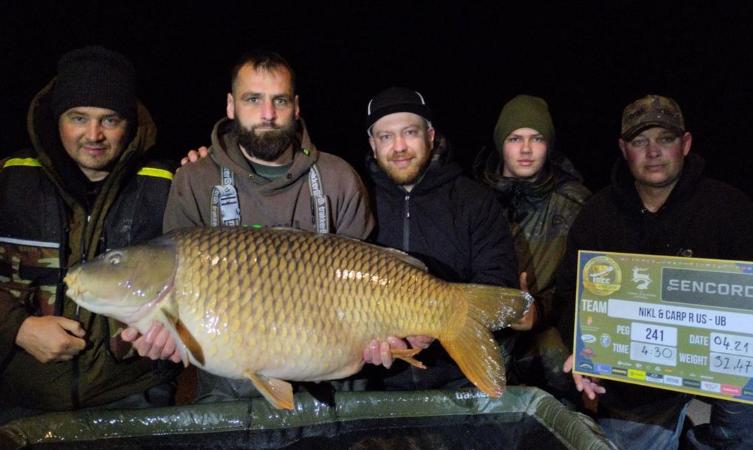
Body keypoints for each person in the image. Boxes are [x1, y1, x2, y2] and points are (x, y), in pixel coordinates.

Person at [555, 94, 753, 449]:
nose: (653, 152)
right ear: (623, 149)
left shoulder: (731, 207)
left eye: (665, 139)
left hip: (715, 359)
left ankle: (714, 443)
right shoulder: (597, 214)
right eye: (640, 141)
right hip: (636, 371)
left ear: (685, 143)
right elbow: (569, 294)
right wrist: (583, 346)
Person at [160, 50, 374, 401]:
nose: (268, 114)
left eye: (280, 100)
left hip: (331, 377)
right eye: (253, 99)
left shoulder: (340, 178)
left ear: (296, 107)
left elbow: (368, 286)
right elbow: (175, 293)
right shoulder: (195, 181)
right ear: (231, 106)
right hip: (228, 389)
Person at [0, 46, 178, 424]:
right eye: (78, 118)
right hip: (15, 395)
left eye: (109, 120)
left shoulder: (167, 185)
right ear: (57, 118)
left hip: (134, 395)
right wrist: (18, 328)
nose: (94, 135)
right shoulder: (10, 180)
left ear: (129, 123)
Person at [361, 87, 524, 390]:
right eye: (385, 136)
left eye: (410, 132)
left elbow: (499, 280)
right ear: (373, 144)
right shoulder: (358, 197)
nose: (399, 147)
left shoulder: (473, 201)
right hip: (377, 382)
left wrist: (432, 322)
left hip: (455, 381)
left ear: (431, 135)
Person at [474, 95, 589, 396]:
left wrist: (537, 310)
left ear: (548, 145)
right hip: (483, 322)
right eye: (515, 138)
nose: (526, 149)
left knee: (558, 361)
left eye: (536, 138)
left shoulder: (574, 204)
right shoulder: (472, 199)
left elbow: (585, 286)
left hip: (546, 327)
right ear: (501, 144)